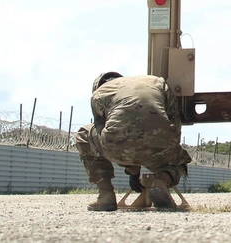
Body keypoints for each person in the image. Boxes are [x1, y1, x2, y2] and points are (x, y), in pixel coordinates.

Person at [75, 72, 191, 211]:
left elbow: (104, 130)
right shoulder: (157, 82)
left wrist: (131, 169)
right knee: (178, 162)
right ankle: (161, 180)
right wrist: (171, 151)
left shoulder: (99, 93)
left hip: (118, 146)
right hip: (161, 142)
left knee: (84, 134)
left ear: (98, 85)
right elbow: (174, 120)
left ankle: (106, 196)